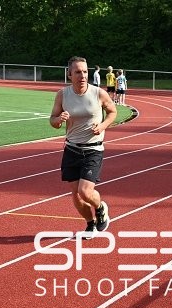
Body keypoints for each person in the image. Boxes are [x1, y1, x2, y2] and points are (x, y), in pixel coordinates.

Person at [49, 56, 117, 238]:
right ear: (69, 74)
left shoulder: (98, 93)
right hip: (71, 149)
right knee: (76, 195)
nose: (83, 75)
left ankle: (101, 206)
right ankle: (90, 224)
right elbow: (53, 120)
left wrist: (102, 126)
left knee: (85, 191)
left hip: (93, 149)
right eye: (78, 72)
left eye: (85, 71)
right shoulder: (62, 95)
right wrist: (59, 120)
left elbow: (112, 112)